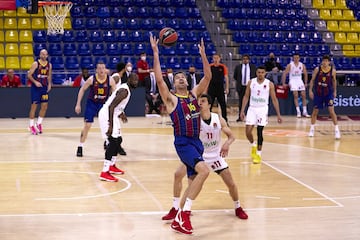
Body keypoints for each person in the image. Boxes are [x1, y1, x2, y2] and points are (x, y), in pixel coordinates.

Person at [150, 35, 211, 235]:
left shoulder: (194, 94)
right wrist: (156, 53)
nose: (181, 78)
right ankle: (184, 215)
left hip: (196, 143)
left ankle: (178, 212)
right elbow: (159, 80)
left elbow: (208, 78)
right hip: (183, 143)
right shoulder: (172, 99)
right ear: (174, 83)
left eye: (183, 76)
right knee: (204, 171)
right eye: (177, 78)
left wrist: (203, 55)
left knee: (191, 181)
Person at [162, 93, 248, 222]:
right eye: (199, 101)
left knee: (231, 184)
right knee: (178, 175)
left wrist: (226, 144)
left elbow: (232, 136)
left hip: (216, 157)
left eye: (203, 101)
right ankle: (179, 211)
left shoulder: (218, 119)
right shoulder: (193, 120)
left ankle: (238, 207)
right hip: (199, 156)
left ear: (209, 104)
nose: (200, 103)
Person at [98, 67, 138, 182]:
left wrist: (121, 114)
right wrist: (110, 125)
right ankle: (104, 172)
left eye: (137, 80)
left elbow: (116, 107)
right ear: (129, 80)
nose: (135, 82)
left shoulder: (126, 90)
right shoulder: (124, 91)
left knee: (118, 140)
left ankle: (112, 165)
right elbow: (111, 107)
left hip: (113, 115)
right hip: (106, 115)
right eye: (133, 79)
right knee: (113, 142)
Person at [240, 66, 282, 164]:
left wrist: (278, 115)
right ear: (256, 73)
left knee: (259, 131)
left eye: (262, 72)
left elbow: (274, 99)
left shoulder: (269, 84)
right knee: (248, 132)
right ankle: (253, 145)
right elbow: (246, 96)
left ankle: (258, 154)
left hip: (262, 109)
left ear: (265, 73)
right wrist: (242, 111)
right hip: (252, 108)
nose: (260, 74)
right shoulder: (251, 82)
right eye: (259, 72)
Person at [74, 62, 117, 157]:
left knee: (107, 124)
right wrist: (78, 104)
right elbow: (82, 89)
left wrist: (116, 108)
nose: (101, 70)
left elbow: (115, 95)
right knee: (87, 125)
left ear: (106, 69)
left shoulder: (110, 80)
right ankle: (80, 146)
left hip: (104, 104)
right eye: (99, 68)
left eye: (103, 68)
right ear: (96, 70)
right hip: (92, 103)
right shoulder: (91, 79)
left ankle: (107, 142)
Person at [308, 55, 341, 139]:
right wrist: (310, 90)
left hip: (328, 93)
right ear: (322, 61)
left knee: (331, 110)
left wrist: (335, 91)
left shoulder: (333, 71)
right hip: (318, 93)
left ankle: (337, 130)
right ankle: (312, 129)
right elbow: (312, 80)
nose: (325, 62)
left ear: (329, 62)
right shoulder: (317, 69)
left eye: (326, 61)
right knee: (315, 111)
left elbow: (334, 81)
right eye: (324, 61)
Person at [27, 49, 52, 135]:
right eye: (42, 54)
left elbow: (49, 75)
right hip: (36, 88)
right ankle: (31, 125)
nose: (44, 56)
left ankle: (39, 123)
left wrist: (49, 84)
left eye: (45, 54)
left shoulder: (49, 65)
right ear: (40, 55)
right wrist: (35, 82)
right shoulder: (35, 64)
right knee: (34, 106)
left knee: (44, 106)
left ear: (47, 55)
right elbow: (29, 75)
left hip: (44, 88)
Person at [281, 53, 310, 118]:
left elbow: (305, 74)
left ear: (299, 58)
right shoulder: (290, 65)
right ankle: (298, 112)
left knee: (303, 95)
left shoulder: (302, 65)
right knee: (295, 95)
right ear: (293, 58)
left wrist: (305, 83)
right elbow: (285, 73)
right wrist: (283, 83)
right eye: (295, 58)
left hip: (299, 80)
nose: (296, 59)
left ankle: (305, 111)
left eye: (297, 58)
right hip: (293, 80)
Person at [233, 54, 257, 122]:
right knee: (241, 102)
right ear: (242, 60)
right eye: (244, 59)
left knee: (251, 102)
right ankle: (240, 117)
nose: (245, 60)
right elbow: (235, 76)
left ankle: (251, 117)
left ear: (249, 60)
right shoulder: (238, 67)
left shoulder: (253, 67)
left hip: (250, 87)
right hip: (241, 87)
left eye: (246, 59)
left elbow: (255, 76)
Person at [208, 53, 229, 122]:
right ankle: (208, 119)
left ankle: (225, 120)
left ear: (220, 58)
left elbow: (226, 78)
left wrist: (227, 87)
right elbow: (207, 78)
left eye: (217, 58)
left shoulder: (223, 67)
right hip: (211, 88)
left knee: (223, 105)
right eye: (214, 58)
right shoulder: (210, 66)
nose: (216, 59)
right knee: (209, 104)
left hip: (220, 88)